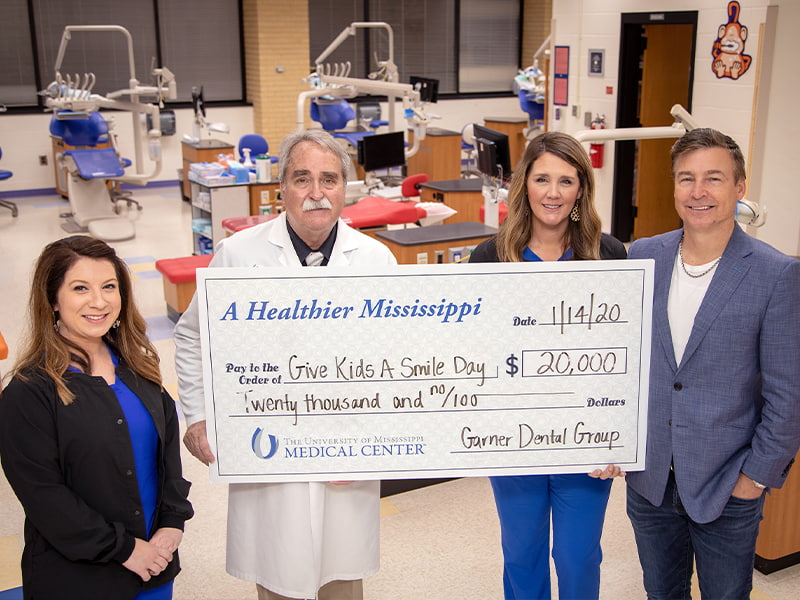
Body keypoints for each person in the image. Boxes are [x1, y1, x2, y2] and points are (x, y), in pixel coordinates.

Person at [173, 128, 397, 600]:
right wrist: (196, 415)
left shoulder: (376, 260)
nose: (317, 193)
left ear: (346, 188)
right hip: (267, 442)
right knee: (279, 573)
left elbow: (397, 356)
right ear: (281, 189)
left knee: (342, 576)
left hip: (346, 443)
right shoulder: (239, 255)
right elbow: (193, 334)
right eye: (302, 179)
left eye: (329, 179)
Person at [625, 128, 800, 599]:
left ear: (740, 188)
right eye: (687, 178)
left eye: (714, 178)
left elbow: (789, 395)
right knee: (661, 593)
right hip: (650, 482)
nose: (698, 191)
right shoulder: (643, 255)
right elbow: (623, 360)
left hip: (728, 483)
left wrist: (755, 478)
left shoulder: (776, 273)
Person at [470, 131, 627, 599]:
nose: (553, 193)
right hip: (514, 438)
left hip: (585, 441)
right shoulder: (490, 256)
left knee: (579, 558)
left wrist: (620, 435)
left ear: (582, 189)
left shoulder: (611, 255)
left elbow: (625, 354)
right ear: (524, 185)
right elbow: (471, 351)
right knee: (522, 554)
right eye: (542, 179)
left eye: (566, 180)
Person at [0, 235, 193, 600]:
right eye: (80, 288)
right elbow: (45, 498)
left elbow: (166, 457)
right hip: (80, 579)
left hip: (154, 568)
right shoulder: (29, 393)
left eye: (109, 287)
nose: (99, 301)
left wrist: (172, 523)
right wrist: (126, 550)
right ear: (52, 299)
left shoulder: (139, 370)